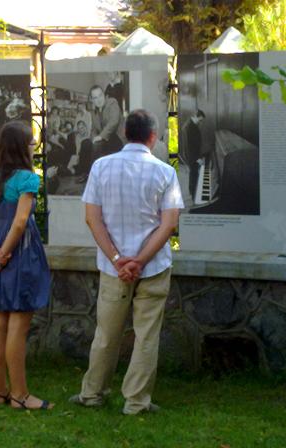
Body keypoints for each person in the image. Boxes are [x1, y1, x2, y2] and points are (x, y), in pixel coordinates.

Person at [69, 109, 184, 415]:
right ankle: (136, 402)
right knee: (146, 336)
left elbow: (92, 219)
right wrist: (141, 260)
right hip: (153, 265)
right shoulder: (165, 172)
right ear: (153, 137)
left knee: (106, 333)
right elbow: (169, 224)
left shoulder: (100, 167)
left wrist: (119, 259)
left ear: (123, 134)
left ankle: (92, 394)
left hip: (113, 268)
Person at [0, 121, 53, 411]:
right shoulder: (27, 179)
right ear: (21, 147)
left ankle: (0, 392)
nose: (34, 147)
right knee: (17, 324)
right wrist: (4, 253)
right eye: (31, 143)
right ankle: (20, 395)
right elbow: (20, 222)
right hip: (20, 254)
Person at [184, 109, 206, 202]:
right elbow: (191, 146)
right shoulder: (191, 127)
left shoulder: (191, 125)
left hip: (193, 156)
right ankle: (194, 196)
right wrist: (197, 159)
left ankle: (192, 193)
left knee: (193, 174)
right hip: (193, 157)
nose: (200, 122)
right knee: (194, 175)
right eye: (200, 120)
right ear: (196, 116)